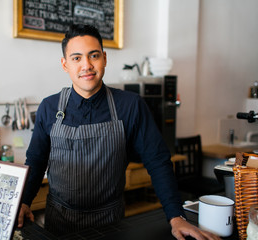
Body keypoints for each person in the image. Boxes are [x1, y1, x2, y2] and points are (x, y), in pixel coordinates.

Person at [18, 24, 220, 240]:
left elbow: (158, 161)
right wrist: (24, 202)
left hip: (110, 223)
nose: (86, 65)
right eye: (76, 58)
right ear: (65, 64)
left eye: (93, 55)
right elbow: (36, 160)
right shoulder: (49, 107)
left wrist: (176, 216)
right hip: (59, 220)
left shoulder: (130, 105)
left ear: (104, 58)